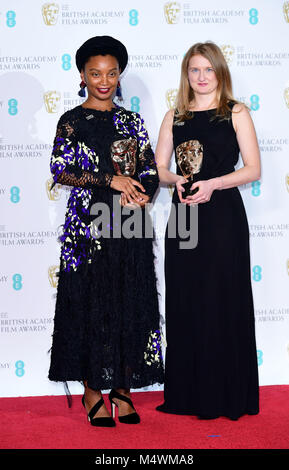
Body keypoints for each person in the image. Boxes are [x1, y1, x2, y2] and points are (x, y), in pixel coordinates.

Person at [48, 36, 164, 427]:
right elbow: (61, 169)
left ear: (119, 75)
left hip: (129, 225)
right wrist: (110, 181)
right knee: (89, 307)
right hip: (88, 230)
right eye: (96, 73)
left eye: (112, 73)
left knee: (128, 302)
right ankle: (92, 391)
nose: (104, 81)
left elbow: (148, 169)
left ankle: (123, 389)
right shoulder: (72, 121)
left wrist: (143, 194)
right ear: (82, 74)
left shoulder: (132, 121)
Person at [155, 41, 260, 420]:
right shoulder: (175, 116)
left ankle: (225, 394)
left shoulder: (236, 112)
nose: (201, 77)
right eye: (194, 70)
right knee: (185, 299)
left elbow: (253, 169)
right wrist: (177, 182)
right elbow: (159, 168)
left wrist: (213, 183)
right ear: (186, 74)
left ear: (219, 73)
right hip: (183, 215)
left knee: (221, 299)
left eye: (208, 70)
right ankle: (187, 394)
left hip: (222, 218)